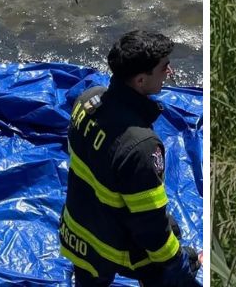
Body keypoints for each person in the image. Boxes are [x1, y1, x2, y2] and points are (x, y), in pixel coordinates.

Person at [59, 30, 200, 286]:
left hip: (76, 232)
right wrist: (180, 262)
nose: (171, 73)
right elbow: (151, 227)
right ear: (140, 80)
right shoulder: (142, 146)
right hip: (115, 248)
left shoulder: (87, 100)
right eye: (164, 67)